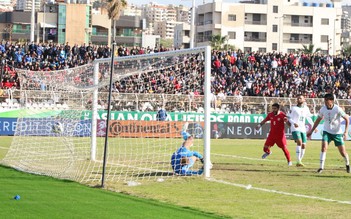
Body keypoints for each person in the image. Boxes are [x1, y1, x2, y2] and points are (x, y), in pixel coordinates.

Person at [307, 93, 350, 173]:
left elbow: (347, 119)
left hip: (337, 133)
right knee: (324, 147)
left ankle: (347, 164)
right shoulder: (323, 109)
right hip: (327, 131)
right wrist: (311, 131)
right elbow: (318, 120)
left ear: (331, 101)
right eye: (325, 100)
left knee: (343, 152)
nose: (325, 102)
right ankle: (321, 167)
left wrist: (346, 132)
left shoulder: (337, 109)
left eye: (327, 100)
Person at [287, 95, 315, 167]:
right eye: (298, 98)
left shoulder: (306, 108)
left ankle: (300, 161)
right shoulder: (293, 108)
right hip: (295, 128)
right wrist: (294, 123)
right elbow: (289, 118)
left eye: (300, 98)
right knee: (299, 142)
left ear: (304, 100)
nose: (299, 99)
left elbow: (308, 118)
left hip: (303, 128)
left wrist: (313, 126)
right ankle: (298, 160)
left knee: (304, 145)